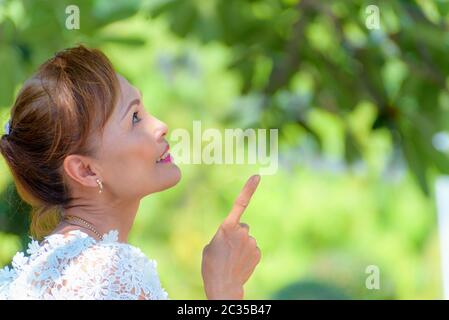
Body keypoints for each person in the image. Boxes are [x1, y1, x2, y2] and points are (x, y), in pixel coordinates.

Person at [0, 45, 261, 300]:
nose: (160, 126)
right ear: (86, 170)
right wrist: (224, 287)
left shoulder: (57, 268)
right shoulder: (107, 274)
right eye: (134, 118)